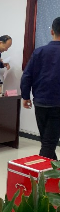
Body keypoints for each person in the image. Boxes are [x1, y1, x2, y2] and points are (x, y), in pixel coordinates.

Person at [22, 17, 60, 159]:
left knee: (46, 141)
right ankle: (43, 170)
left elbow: (27, 76)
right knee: (49, 143)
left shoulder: (39, 52)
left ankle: (50, 169)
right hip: (58, 104)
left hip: (40, 102)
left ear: (52, 31)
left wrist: (26, 96)